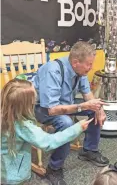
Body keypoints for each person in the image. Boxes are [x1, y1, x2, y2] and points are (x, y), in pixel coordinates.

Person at [32, 41, 109, 184]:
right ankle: (54, 168)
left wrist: (99, 108)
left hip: (66, 104)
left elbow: (87, 94)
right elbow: (52, 109)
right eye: (88, 64)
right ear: (75, 62)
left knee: (95, 109)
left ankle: (89, 150)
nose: (91, 68)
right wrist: (81, 107)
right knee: (66, 123)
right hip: (42, 109)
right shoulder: (52, 70)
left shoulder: (81, 70)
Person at [1, 79, 93, 185]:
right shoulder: (23, 127)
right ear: (25, 106)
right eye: (33, 102)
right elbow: (48, 142)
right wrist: (77, 128)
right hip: (15, 175)